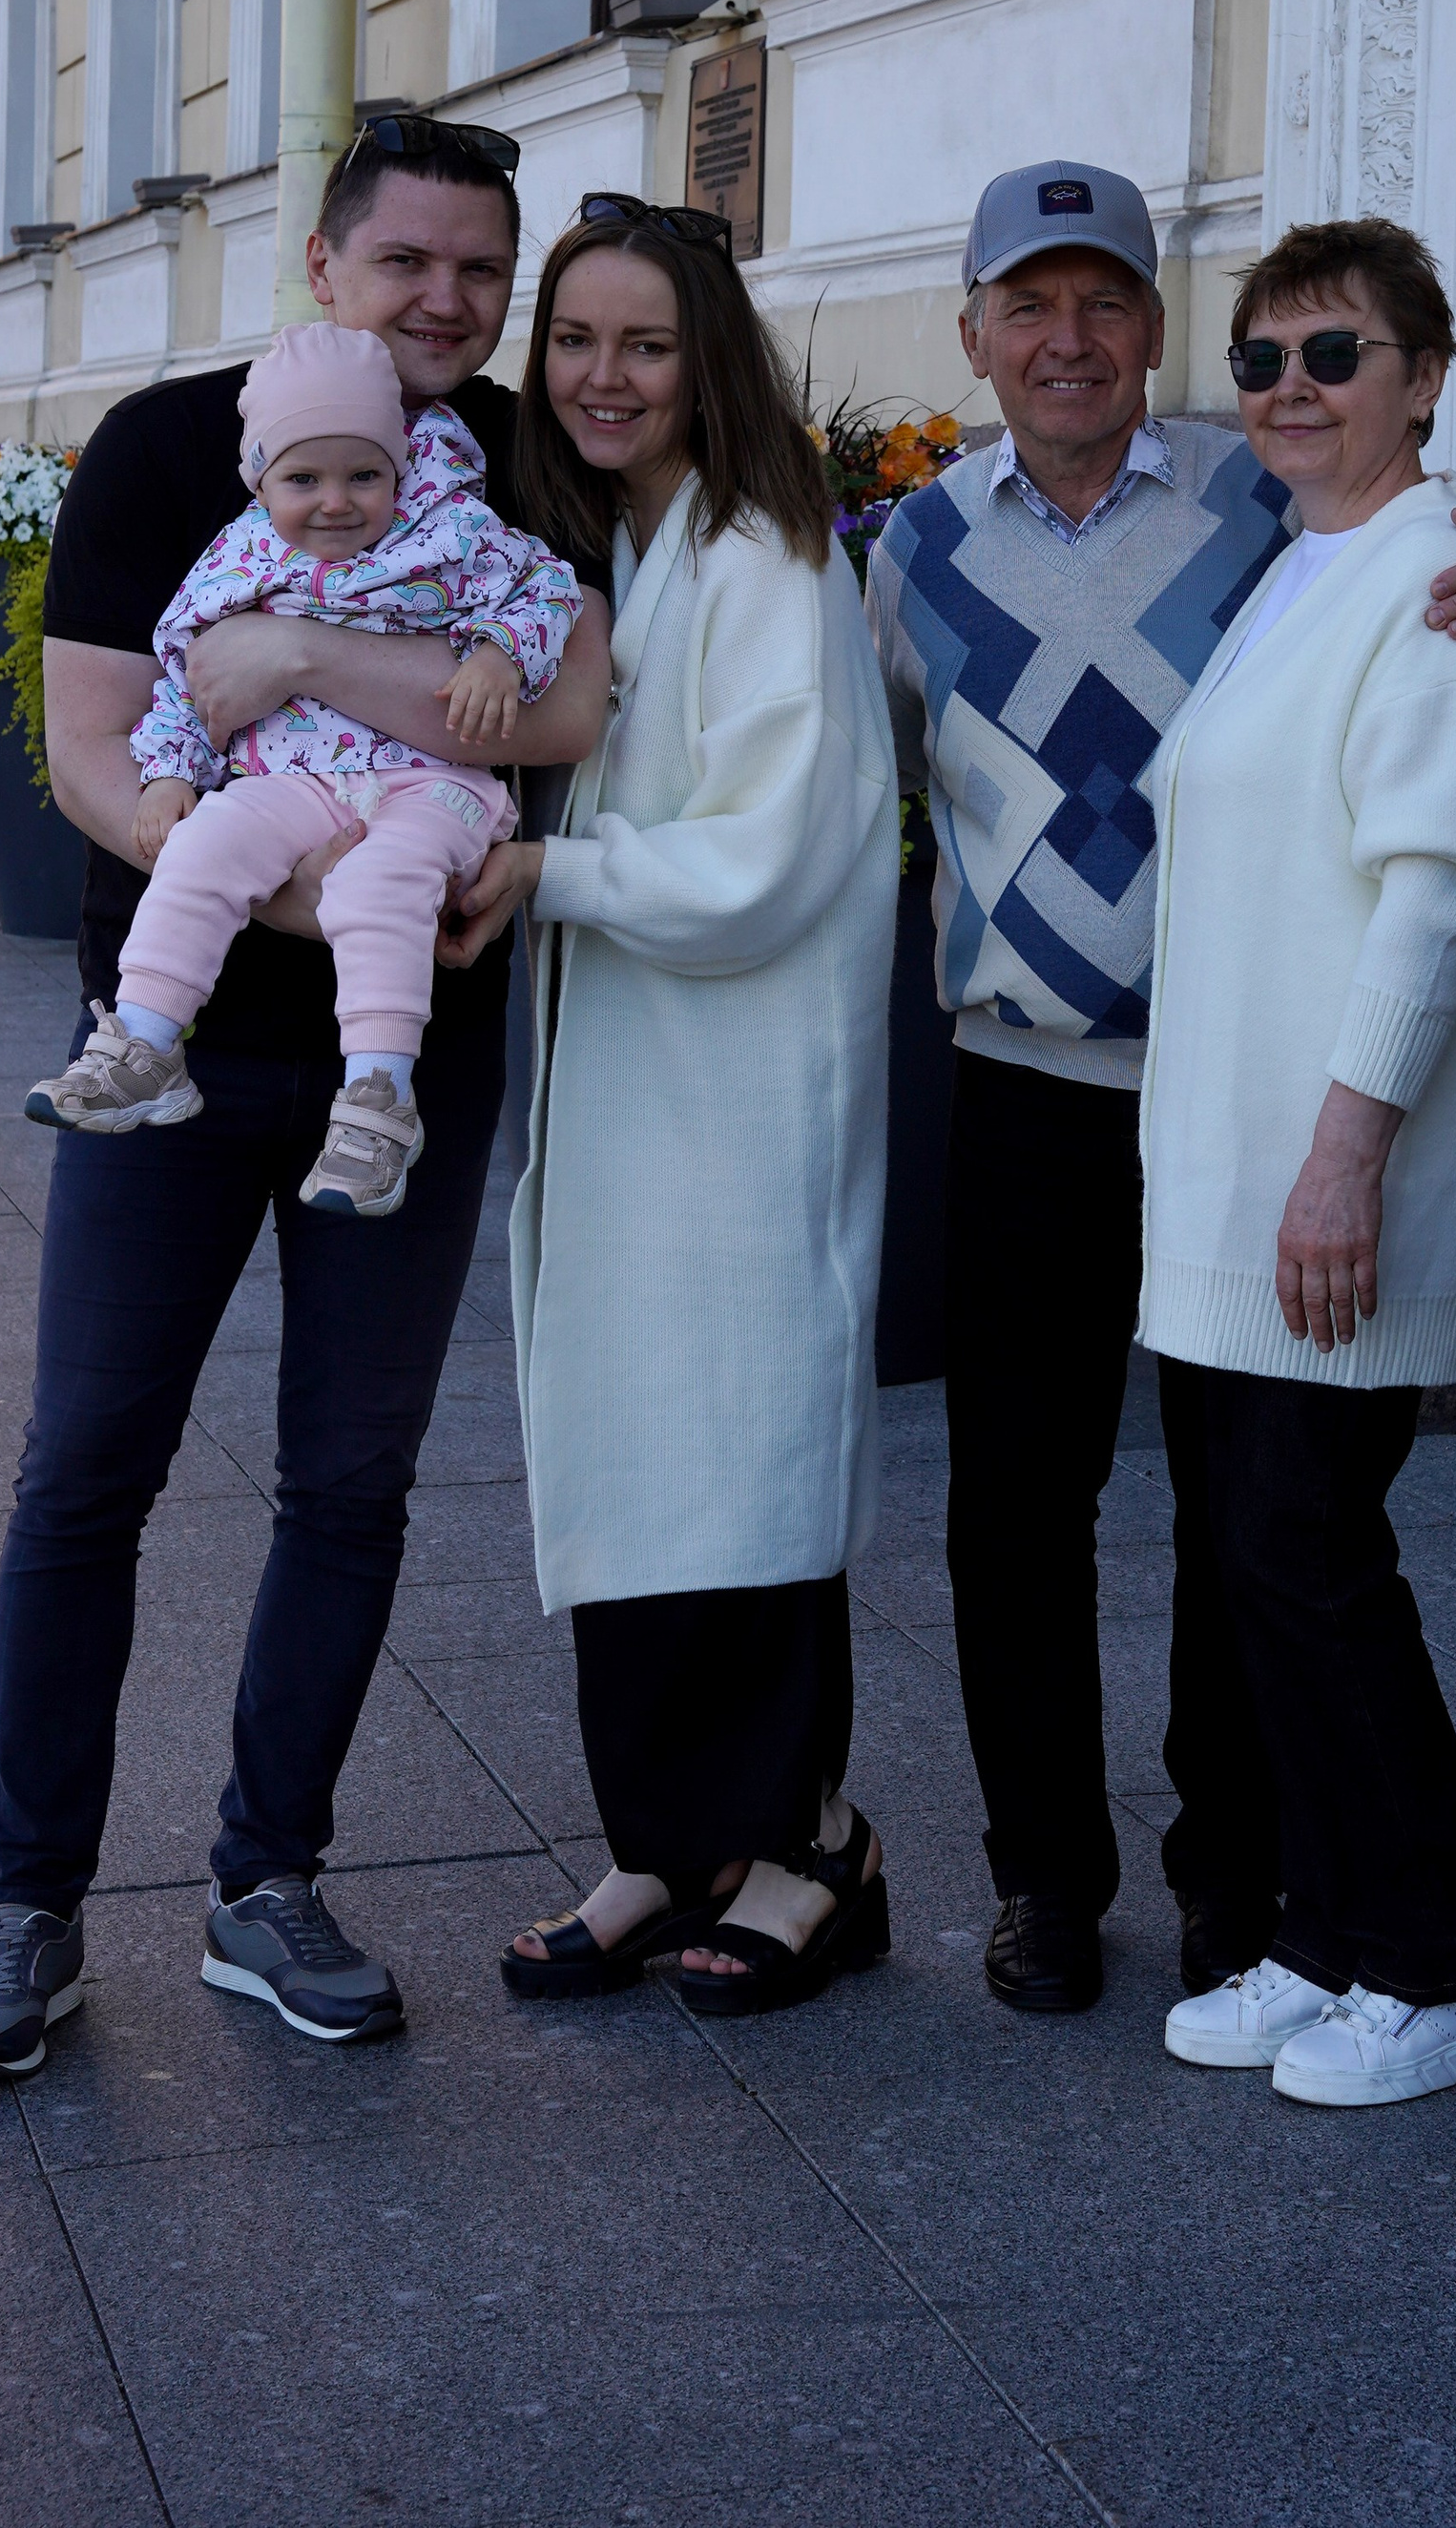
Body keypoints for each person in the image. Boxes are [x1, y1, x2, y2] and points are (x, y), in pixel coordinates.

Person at [0, 117, 612, 2082]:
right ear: (323, 264)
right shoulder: (167, 446)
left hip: (409, 1061)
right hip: (184, 1043)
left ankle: (266, 1876)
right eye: (408, 262)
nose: (448, 303)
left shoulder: (514, 462)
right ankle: (27, 1898)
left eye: (481, 270)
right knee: (85, 1469)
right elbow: (85, 748)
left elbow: (561, 707)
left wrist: (304, 650)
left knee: (348, 1482)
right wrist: (287, 873)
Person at [863, 161, 1456, 2016]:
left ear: (1147, 331)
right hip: (1023, 1086)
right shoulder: (907, 552)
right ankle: (1042, 1881)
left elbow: (1423, 585)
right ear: (974, 335)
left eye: (1103, 303)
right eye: (1027, 304)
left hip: (1240, 1090)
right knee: (1018, 1503)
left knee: (1244, 1510)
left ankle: (1241, 1885)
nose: (1066, 338)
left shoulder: (1263, 497)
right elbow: (846, 803)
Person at [438, 198, 899, 2016]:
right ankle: (663, 1841)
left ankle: (812, 1849)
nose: (603, 377)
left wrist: (552, 879)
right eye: (573, 341)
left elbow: (771, 859)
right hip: (613, 1079)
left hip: (735, 1083)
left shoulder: (772, 565)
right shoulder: (579, 550)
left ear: (709, 360)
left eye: (644, 343)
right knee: (633, 1459)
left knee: (743, 1458)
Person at [1146, 217, 1456, 2106]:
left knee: (1305, 1553)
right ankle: (1325, 1924)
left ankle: (1446, 1956)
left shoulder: (1444, 578)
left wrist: (1341, 1153)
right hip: (1230, 1176)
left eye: (1334, 351)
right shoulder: (1301, 565)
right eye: (1261, 356)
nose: (1289, 386)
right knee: (1252, 1565)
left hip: (1328, 1176)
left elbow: (1439, 886)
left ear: (1423, 373)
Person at [26, 324, 580, 1222]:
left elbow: (546, 589)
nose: (335, 502)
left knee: (380, 881)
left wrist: (500, 657)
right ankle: (146, 1041)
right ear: (259, 479)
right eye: (303, 479)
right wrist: (171, 773)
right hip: (292, 776)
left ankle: (378, 1097)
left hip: (424, 781)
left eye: (364, 475)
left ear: (398, 468)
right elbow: (186, 672)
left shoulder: (453, 530)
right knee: (203, 842)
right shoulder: (240, 557)